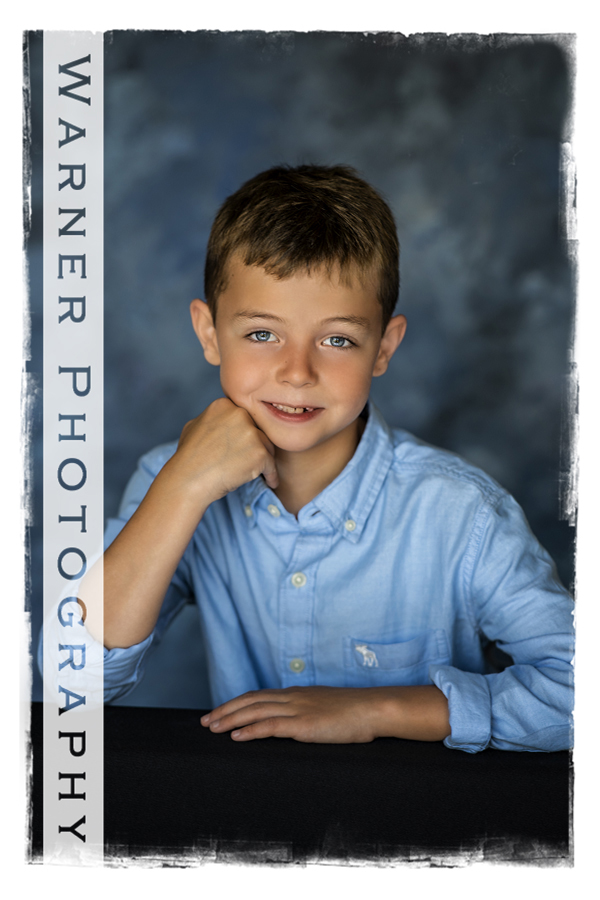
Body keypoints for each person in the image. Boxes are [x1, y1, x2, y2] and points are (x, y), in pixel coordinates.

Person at [67, 164, 576, 752]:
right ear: (209, 334)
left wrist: (379, 709)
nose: (298, 371)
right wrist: (181, 489)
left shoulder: (464, 515)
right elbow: (70, 682)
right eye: (262, 333)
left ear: (383, 347)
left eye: (337, 339)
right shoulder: (171, 481)